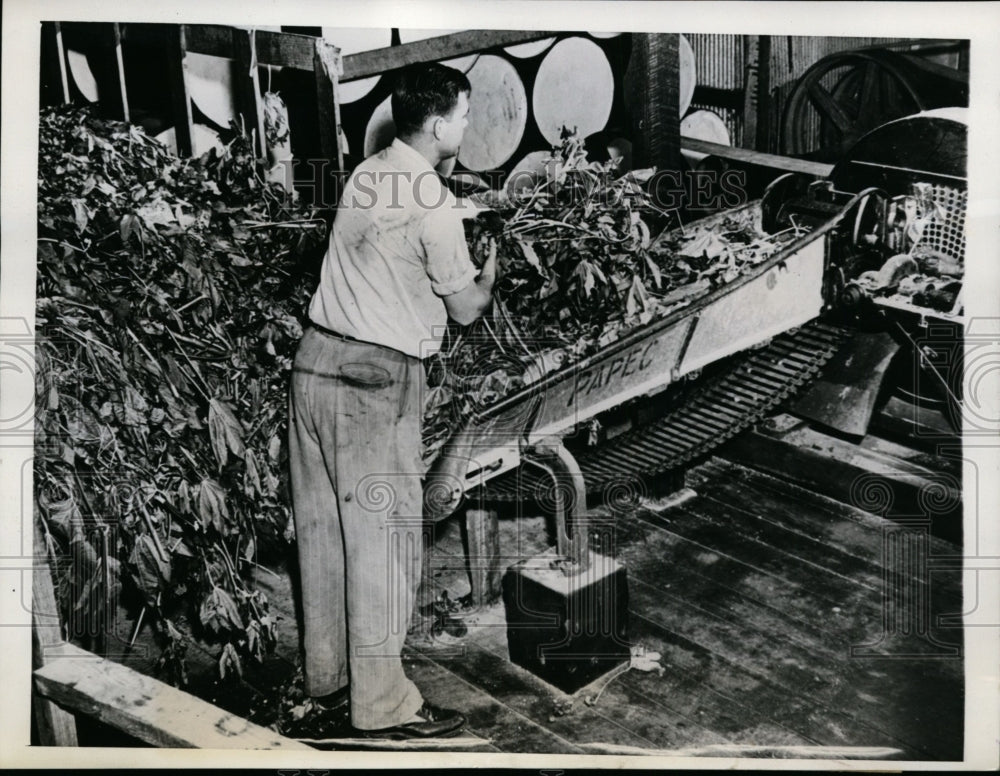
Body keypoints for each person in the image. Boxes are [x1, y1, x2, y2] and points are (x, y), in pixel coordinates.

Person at [287, 63, 498, 739]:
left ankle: (331, 685)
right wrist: (489, 267)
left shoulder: (367, 172)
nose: (465, 126)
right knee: (383, 546)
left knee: (326, 540)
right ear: (440, 124)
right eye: (464, 115)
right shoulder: (433, 204)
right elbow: (464, 310)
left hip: (313, 366)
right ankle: (381, 710)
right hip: (372, 388)